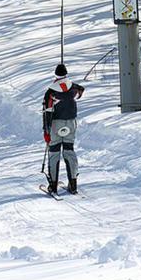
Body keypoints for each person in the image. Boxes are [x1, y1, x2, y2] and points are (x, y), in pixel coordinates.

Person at [41, 63, 85, 194]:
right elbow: (81, 90)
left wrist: (46, 132)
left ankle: (53, 185)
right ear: (66, 74)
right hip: (71, 123)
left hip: (56, 124)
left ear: (55, 75)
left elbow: (46, 112)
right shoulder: (74, 87)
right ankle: (73, 183)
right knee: (69, 151)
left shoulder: (50, 92)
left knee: (54, 153)